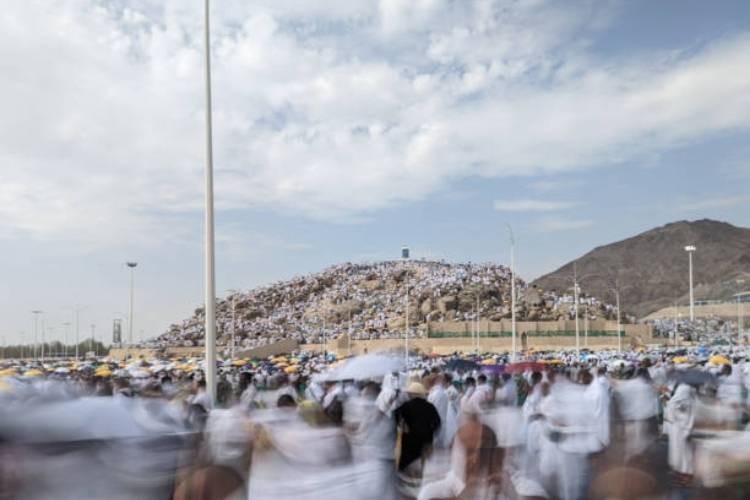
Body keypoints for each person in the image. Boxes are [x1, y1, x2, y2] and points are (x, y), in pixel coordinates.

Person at [394, 382, 441, 473]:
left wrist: (403, 426)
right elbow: (437, 422)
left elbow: (395, 416)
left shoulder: (406, 405)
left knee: (408, 463)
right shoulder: (430, 406)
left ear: (411, 394)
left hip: (410, 439)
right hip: (426, 439)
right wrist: (430, 431)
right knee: (423, 464)